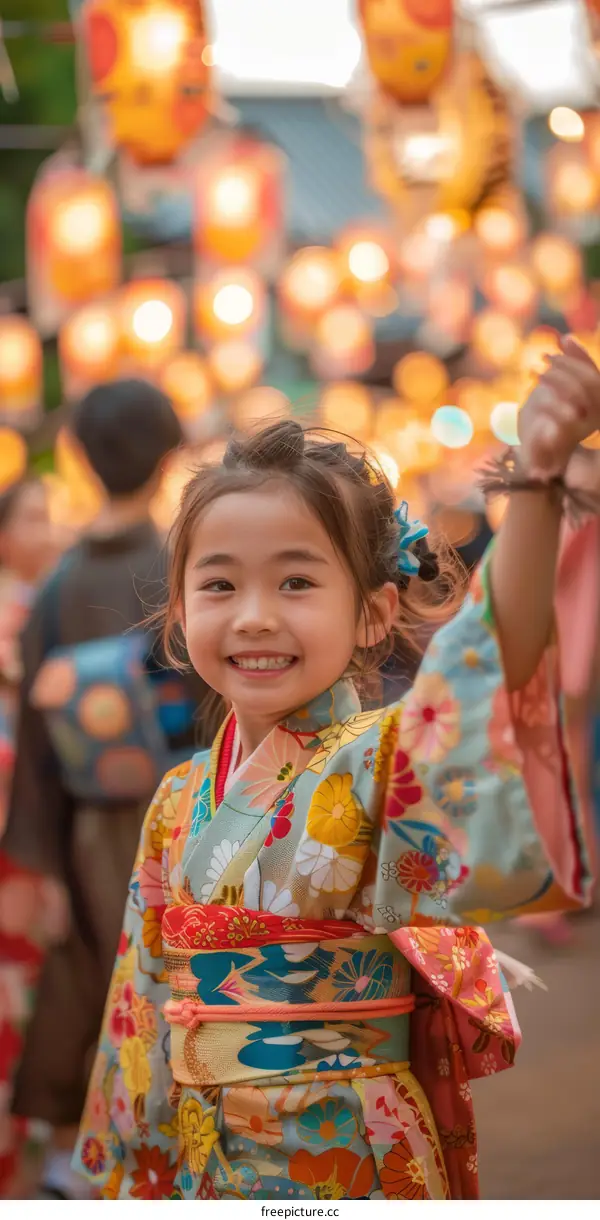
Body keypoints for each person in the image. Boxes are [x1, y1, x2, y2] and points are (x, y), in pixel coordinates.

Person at [73, 340, 597, 1201]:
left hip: (344, 1150)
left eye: (295, 582)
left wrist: (536, 486)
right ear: (178, 608)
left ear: (374, 611)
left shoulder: (377, 763)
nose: (253, 618)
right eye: (218, 586)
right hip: (203, 1162)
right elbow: (139, 1018)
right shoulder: (177, 801)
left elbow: (484, 675)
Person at [1, 380, 210, 1199]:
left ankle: (84, 1152)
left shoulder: (57, 586)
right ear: (167, 457)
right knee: (186, 977)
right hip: (192, 809)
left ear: (84, 461)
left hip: (90, 820)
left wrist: (35, 860)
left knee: (97, 971)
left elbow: (41, 739)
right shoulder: (187, 565)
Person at [0, 477, 65, 1197]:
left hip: (25, 841)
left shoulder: (45, 607)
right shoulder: (29, 613)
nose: (48, 533)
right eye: (34, 519)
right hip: (13, 834)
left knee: (25, 1008)